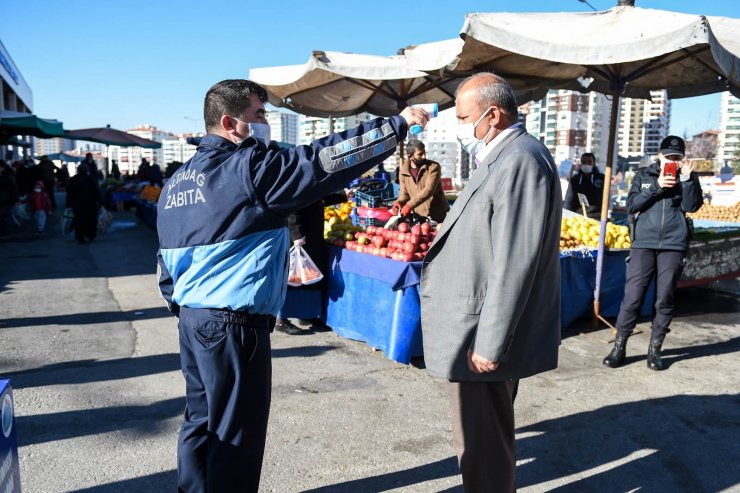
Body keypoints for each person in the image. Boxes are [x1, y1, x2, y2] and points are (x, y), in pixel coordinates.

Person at [155, 79, 427, 492]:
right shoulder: (248, 169)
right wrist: (396, 126)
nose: (265, 124)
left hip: (193, 323)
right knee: (235, 437)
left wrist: (188, 308)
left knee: (201, 422)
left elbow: (165, 266)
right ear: (230, 123)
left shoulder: (176, 183)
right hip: (233, 324)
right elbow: (325, 160)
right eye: (259, 115)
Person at [419, 73, 561, 493]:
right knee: (481, 441)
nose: (460, 126)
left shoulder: (519, 159)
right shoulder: (504, 156)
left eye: (464, 117)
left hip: (480, 331)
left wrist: (490, 341)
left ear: (492, 114)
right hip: (475, 325)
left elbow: (516, 259)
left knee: (484, 446)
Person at [603, 136, 703, 371]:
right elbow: (632, 205)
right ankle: (619, 347)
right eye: (669, 157)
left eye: (677, 158)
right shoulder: (644, 175)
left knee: (665, 297)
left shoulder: (687, 177)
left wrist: (687, 179)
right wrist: (658, 186)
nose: (673, 161)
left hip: (674, 244)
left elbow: (692, 206)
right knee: (633, 297)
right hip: (643, 243)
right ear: (659, 155)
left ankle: (654, 351)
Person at [390, 139, 449, 223]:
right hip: (419, 217)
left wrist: (409, 205)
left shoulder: (433, 167)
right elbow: (404, 194)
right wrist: (399, 202)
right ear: (410, 156)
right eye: (420, 154)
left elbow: (429, 190)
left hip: (438, 215)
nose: (424, 156)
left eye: (424, 153)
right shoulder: (403, 171)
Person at [66, 163, 101, 244]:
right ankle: (90, 235)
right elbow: (96, 192)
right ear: (87, 170)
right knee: (91, 220)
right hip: (90, 204)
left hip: (77, 204)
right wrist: (100, 202)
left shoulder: (73, 179)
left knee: (79, 221)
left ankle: (80, 237)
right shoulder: (91, 179)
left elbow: (69, 193)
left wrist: (68, 204)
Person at [563, 152, 605, 219]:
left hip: (597, 216)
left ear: (594, 164)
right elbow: (568, 199)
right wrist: (565, 214)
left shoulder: (602, 179)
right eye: (584, 162)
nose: (586, 164)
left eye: (589, 162)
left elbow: (607, 198)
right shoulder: (575, 180)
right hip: (577, 216)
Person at [0, 160, 20, 235]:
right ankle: (4, 230)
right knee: (3, 216)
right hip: (4, 199)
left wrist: (15, 200)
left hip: (7, 199)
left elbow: (13, 188)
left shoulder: (8, 176)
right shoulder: (6, 175)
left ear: (2, 167)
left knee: (7, 216)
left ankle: (7, 231)